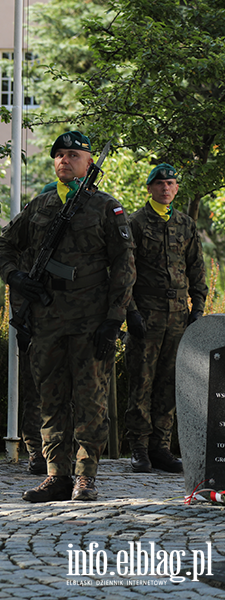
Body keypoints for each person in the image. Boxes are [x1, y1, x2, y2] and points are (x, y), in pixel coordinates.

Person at [0, 131, 135, 502]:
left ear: (89, 163)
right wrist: (16, 278)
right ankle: (56, 474)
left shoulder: (106, 208)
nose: (64, 160)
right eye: (59, 155)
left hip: (90, 319)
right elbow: (5, 246)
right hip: (47, 319)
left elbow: (124, 265)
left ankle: (85, 476)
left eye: (73, 155)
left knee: (91, 400)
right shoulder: (39, 207)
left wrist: (114, 318)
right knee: (50, 400)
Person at [125, 163, 206, 474]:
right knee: (141, 384)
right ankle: (139, 449)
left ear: (176, 188)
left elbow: (196, 269)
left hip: (178, 319)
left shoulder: (186, 224)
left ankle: (161, 447)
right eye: (160, 184)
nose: (166, 188)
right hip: (146, 316)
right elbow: (125, 273)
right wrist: (130, 311)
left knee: (170, 384)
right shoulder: (135, 223)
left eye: (171, 183)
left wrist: (197, 307)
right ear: (150, 188)